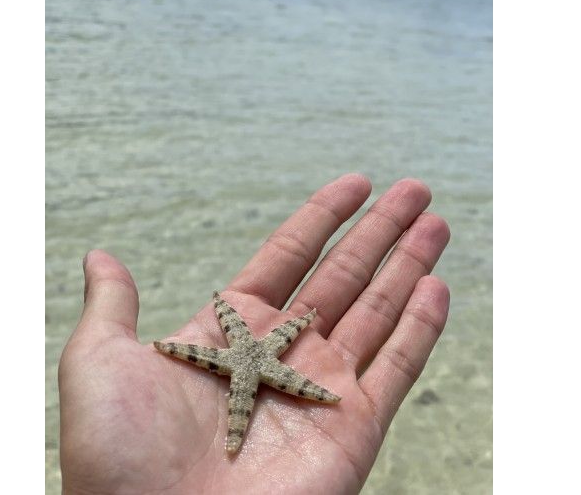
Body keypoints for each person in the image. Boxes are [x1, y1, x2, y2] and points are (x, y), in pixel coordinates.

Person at [58, 174, 451, 494]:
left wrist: (299, 329)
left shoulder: (253, 353)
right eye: (226, 313)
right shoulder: (240, 357)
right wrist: (174, 346)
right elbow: (220, 344)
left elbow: (281, 345)